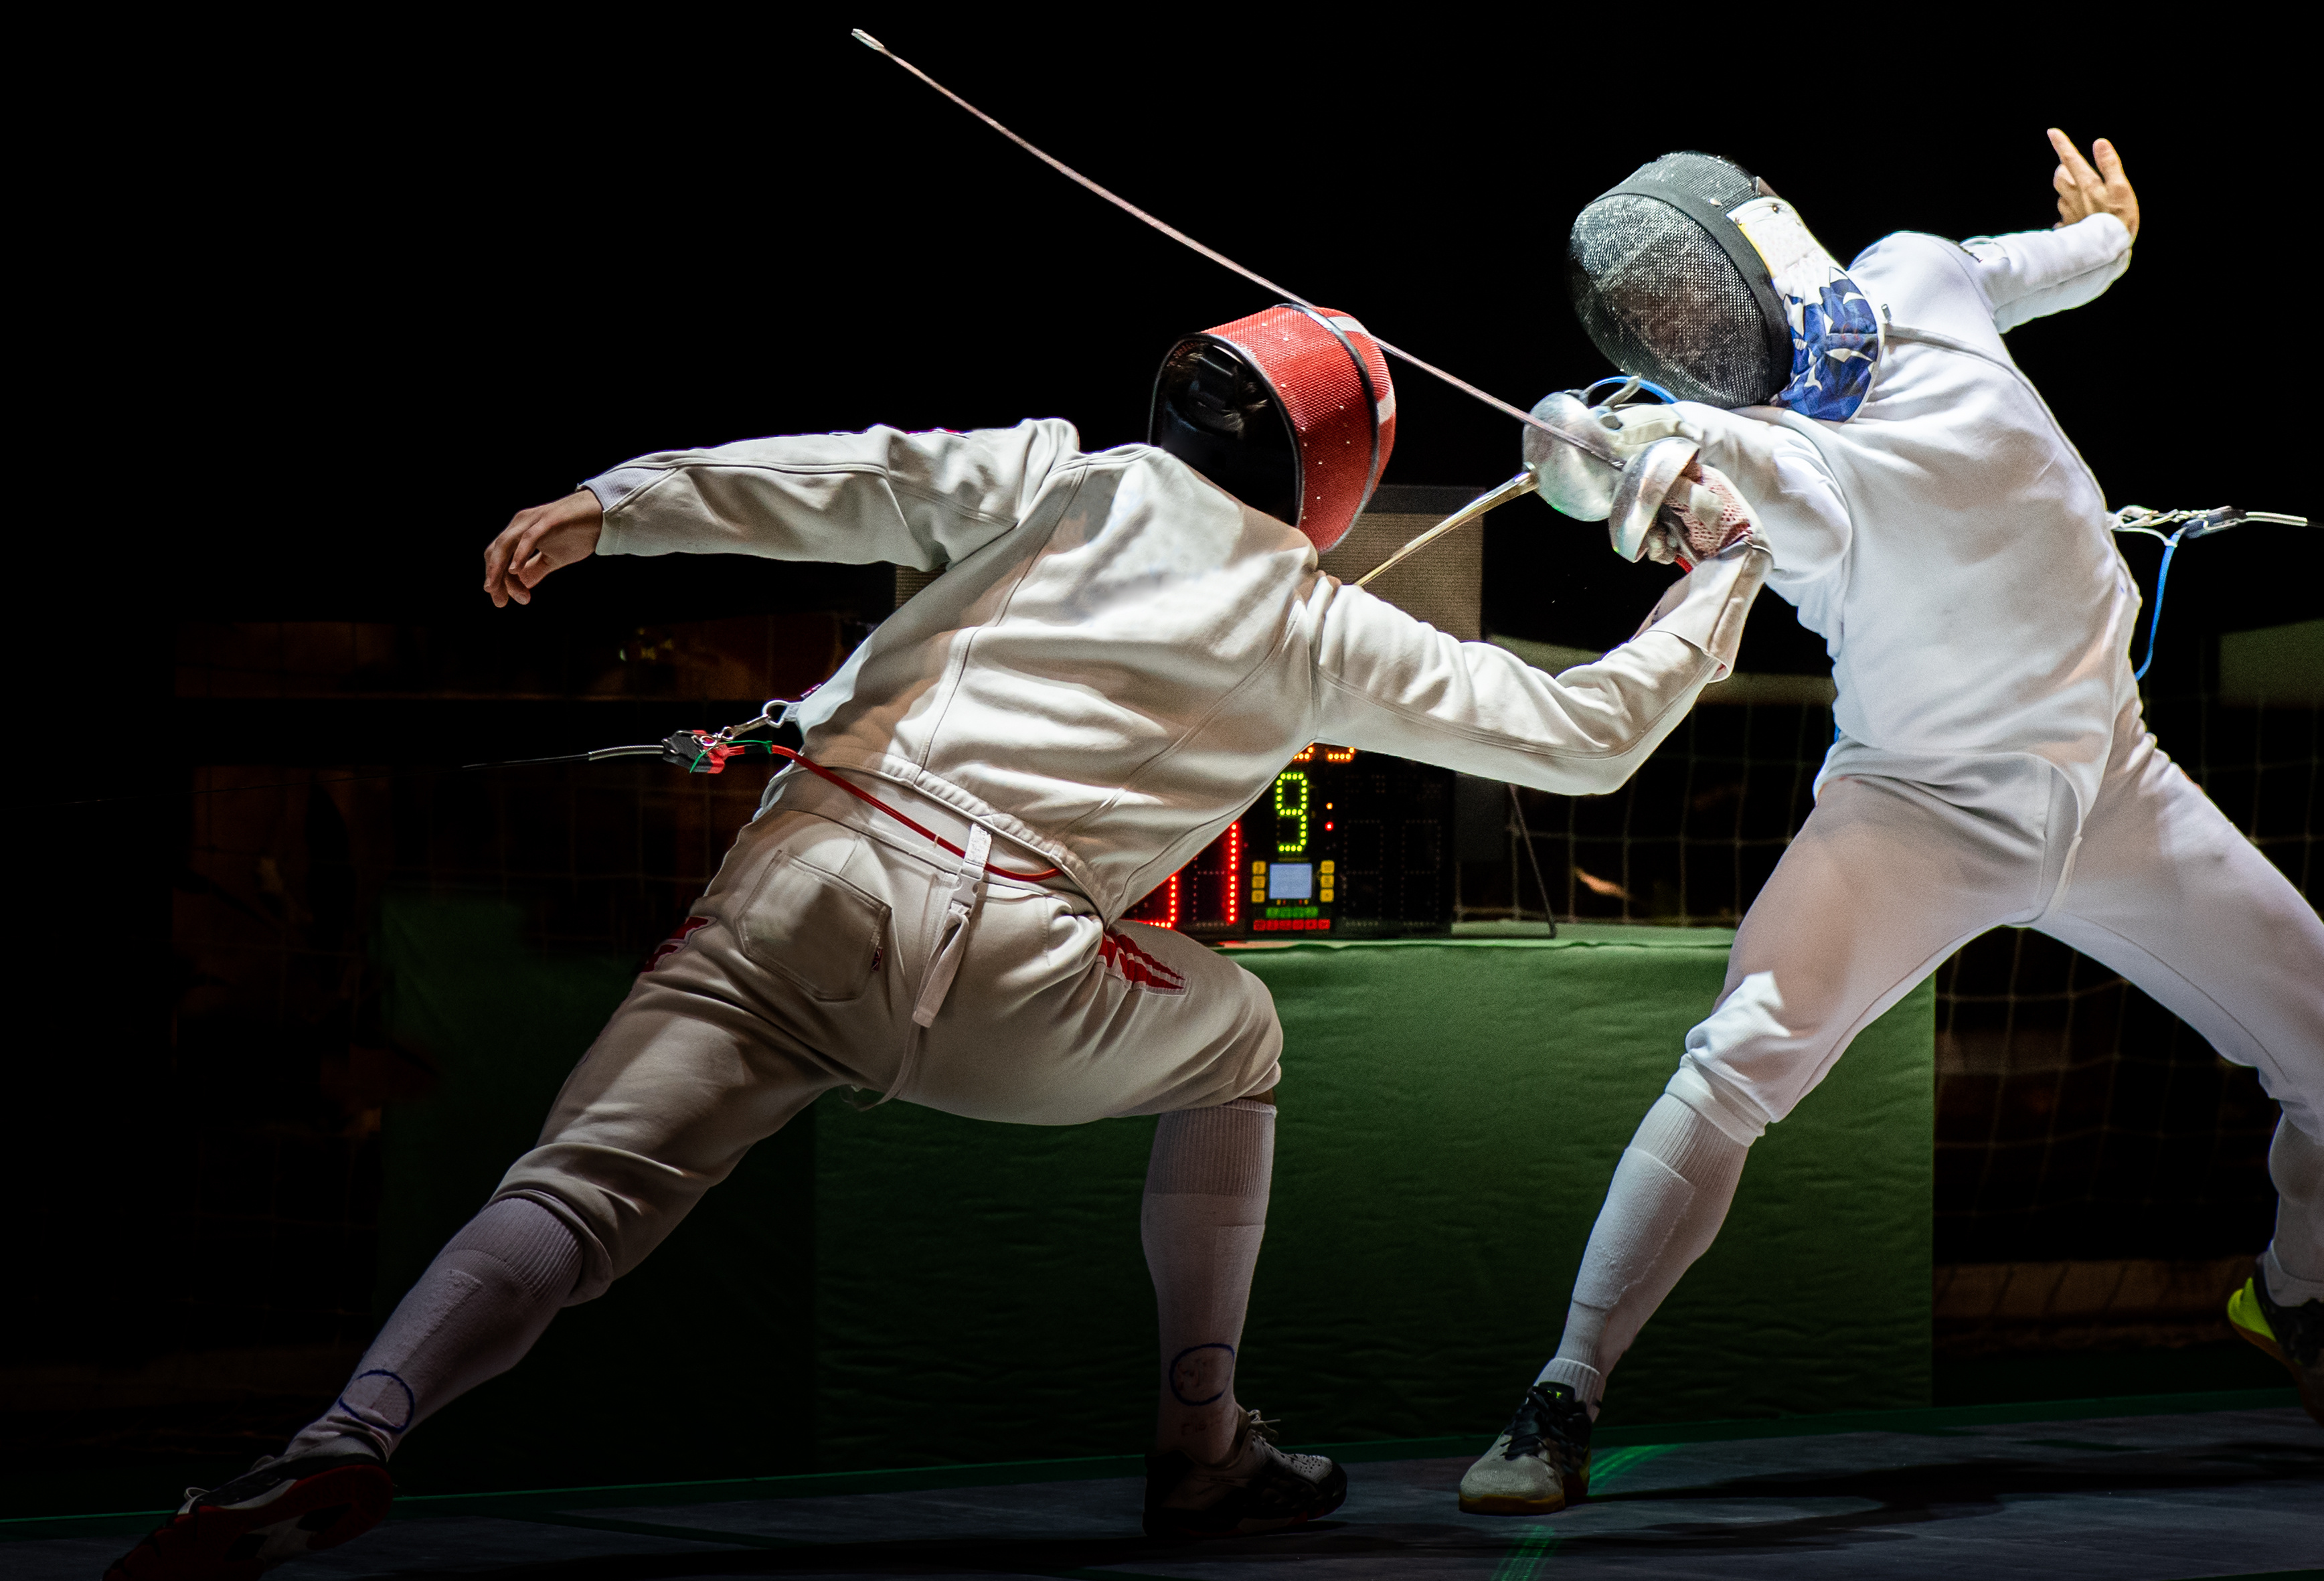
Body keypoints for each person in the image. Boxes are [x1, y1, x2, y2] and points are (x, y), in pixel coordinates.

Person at [112, 305, 1771, 1580]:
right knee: (1241, 1030)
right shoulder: (1315, 619)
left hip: (802, 870)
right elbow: (1588, 732)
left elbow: (862, 472)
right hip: (1012, 959)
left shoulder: (1063, 474)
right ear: (1329, 478)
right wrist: (1723, 577)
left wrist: (620, 506)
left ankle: (353, 1425)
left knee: (575, 1187)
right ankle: (1203, 1441)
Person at [1458, 135, 2324, 1518]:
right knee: (1734, 1062)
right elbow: (1640, 452)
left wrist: (2108, 236)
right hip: (1912, 813)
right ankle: (1563, 1390)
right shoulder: (1770, 451)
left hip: (2116, 792)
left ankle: (2299, 1293)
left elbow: (2049, 264)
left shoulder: (1915, 276)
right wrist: (1593, 453)